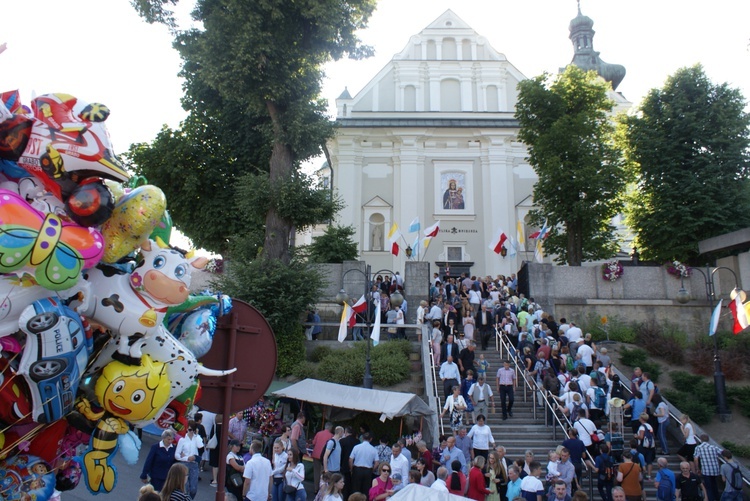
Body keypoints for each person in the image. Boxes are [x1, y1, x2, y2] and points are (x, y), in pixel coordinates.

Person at [174, 421, 204, 499]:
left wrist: (196, 435)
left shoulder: (197, 438)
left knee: (193, 488)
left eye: (192, 430)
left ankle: (189, 499)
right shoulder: (182, 440)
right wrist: (186, 458)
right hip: (184, 464)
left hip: (194, 464)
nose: (190, 431)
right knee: (185, 488)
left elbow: (201, 446)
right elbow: (177, 455)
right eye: (189, 429)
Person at [693, 434, 723, 501]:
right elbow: (722, 452)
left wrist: (697, 468)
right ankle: (717, 498)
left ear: (701, 439)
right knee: (715, 485)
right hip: (715, 470)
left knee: (708, 487)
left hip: (706, 470)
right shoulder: (713, 447)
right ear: (708, 440)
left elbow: (695, 459)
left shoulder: (698, 448)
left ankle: (711, 499)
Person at [349, 432, 378, 496]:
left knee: (355, 489)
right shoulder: (374, 449)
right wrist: (372, 470)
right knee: (366, 490)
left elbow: (351, 459)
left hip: (357, 469)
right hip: (368, 471)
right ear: (371, 439)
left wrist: (351, 469)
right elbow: (376, 462)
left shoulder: (356, 447)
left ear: (362, 438)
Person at [312, 423, 334, 489]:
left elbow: (313, 442)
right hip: (324, 457)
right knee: (323, 473)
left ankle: (316, 488)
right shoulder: (331, 436)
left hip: (316, 454)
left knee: (316, 472)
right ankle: (321, 489)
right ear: (330, 428)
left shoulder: (318, 433)